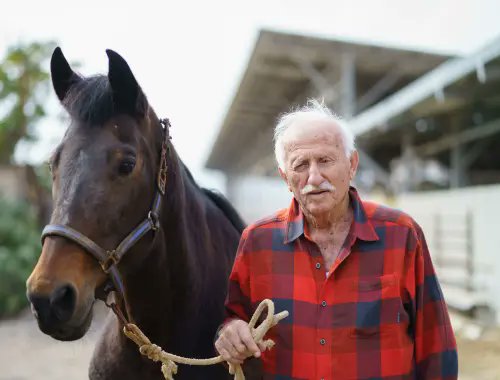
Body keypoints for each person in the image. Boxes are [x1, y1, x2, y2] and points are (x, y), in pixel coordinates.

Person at [214, 99, 458, 379]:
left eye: (325, 161)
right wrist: (229, 332)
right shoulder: (257, 241)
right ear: (285, 177)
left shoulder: (401, 234)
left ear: (351, 164)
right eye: (301, 165)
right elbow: (233, 319)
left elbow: (436, 347)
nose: (314, 177)